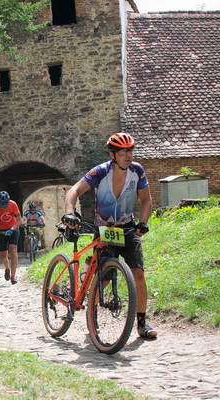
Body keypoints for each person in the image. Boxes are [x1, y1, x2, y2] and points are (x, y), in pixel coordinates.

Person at [63, 132, 157, 339]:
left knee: (138, 274)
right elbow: (74, 191)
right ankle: (92, 316)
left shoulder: (137, 171)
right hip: (104, 230)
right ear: (112, 154)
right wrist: (70, 213)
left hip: (127, 228)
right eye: (123, 152)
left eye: (130, 150)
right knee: (103, 279)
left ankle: (142, 323)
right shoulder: (100, 172)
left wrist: (143, 222)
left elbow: (146, 200)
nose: (128, 155)